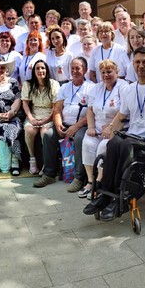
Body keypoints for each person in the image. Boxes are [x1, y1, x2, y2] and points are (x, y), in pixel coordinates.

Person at [86, 48, 145, 220]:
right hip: (132, 135)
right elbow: (122, 116)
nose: (141, 66)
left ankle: (118, 197)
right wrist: (110, 129)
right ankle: (105, 194)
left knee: (125, 145)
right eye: (137, 62)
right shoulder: (129, 89)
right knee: (113, 143)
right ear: (133, 64)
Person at [38, 57, 91, 189]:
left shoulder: (91, 87)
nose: (74, 71)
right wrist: (58, 125)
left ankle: (79, 178)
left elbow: (92, 112)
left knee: (79, 139)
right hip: (64, 124)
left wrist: (76, 126)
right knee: (49, 135)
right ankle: (49, 174)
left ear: (85, 70)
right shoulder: (65, 87)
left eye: (78, 68)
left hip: (82, 125)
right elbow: (57, 109)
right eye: (72, 68)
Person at [81, 59, 124, 198]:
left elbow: (123, 111)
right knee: (87, 143)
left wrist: (111, 126)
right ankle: (90, 181)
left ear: (116, 72)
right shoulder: (97, 88)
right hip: (98, 126)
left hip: (117, 126)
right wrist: (91, 127)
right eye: (103, 72)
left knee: (102, 147)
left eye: (109, 71)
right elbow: (90, 109)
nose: (106, 75)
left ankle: (99, 183)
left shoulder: (123, 86)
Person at [0, 59, 23, 175]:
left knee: (14, 127)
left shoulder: (13, 82)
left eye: (2, 67)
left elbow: (18, 98)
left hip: (11, 116)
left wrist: (12, 112)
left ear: (6, 70)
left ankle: (14, 161)